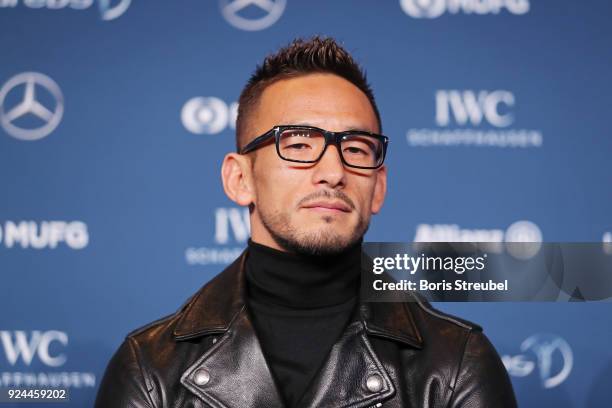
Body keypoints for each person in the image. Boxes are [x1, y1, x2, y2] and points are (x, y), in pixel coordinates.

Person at [95, 36, 517, 408]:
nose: (333, 172)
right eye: (298, 144)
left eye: (356, 149)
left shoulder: (457, 365)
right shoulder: (150, 369)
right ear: (240, 179)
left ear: (379, 187)